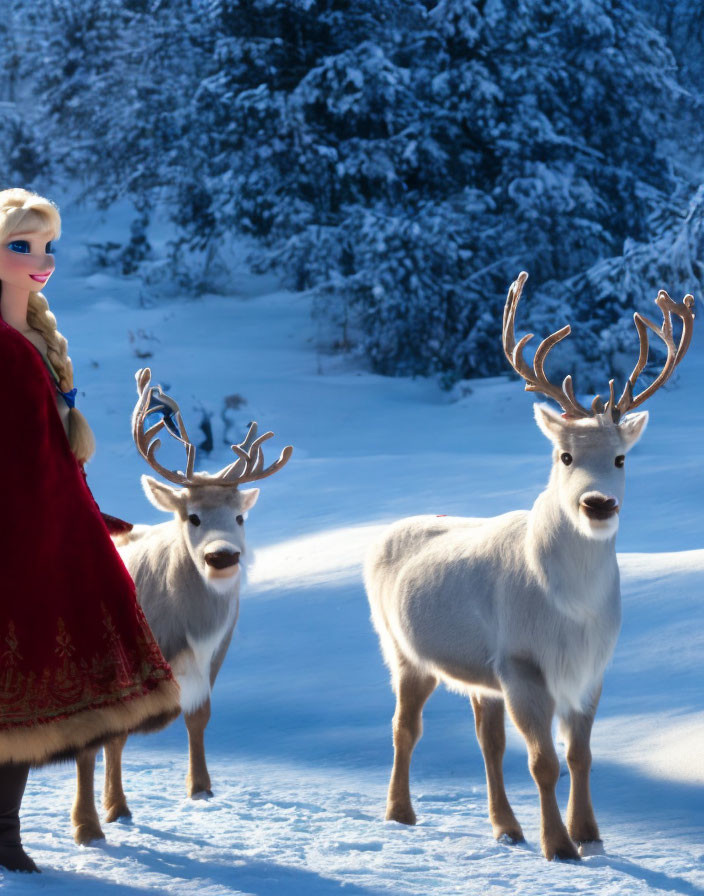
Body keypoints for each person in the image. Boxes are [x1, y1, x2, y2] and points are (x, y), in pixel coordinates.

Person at [0, 188, 180, 873]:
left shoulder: (30, 344)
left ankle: (3, 832)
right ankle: (3, 834)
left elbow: (43, 453)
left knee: (23, 695)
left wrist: (82, 508)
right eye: (21, 246)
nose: (40, 260)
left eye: (47, 247)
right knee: (18, 687)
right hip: (20, 540)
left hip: (41, 532)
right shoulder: (8, 352)